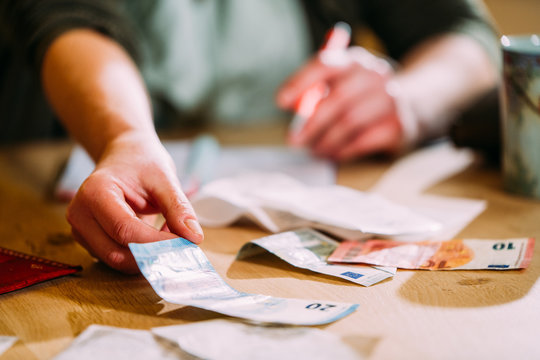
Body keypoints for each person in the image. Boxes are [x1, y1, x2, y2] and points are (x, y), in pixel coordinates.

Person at [0, 0, 499, 273]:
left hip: (293, 202)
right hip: (46, 198)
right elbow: (63, 20)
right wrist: (125, 137)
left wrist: (407, 99)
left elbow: (468, 35)